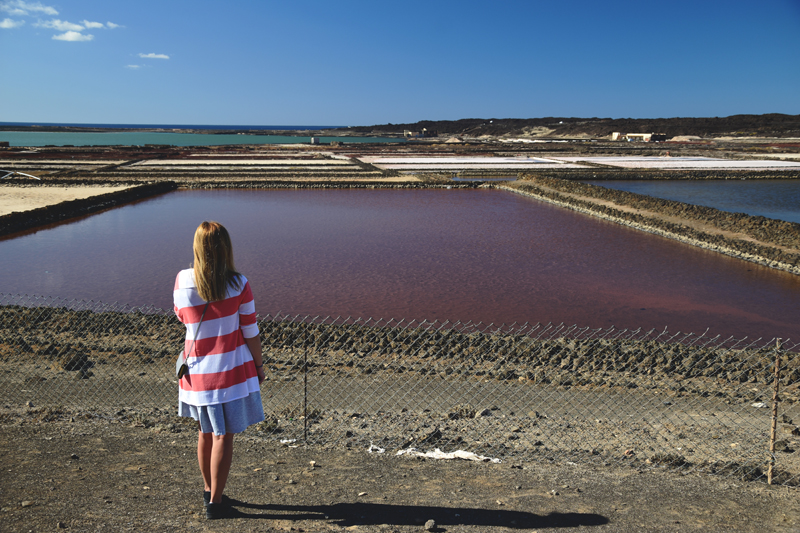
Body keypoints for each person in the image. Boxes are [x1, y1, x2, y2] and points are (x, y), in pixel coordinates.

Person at [173, 221, 266, 519]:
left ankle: (208, 490)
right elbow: (250, 330)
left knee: (205, 433)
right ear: (226, 248)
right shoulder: (238, 283)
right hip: (228, 372)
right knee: (223, 435)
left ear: (196, 247)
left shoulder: (182, 280)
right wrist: (259, 365)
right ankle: (216, 503)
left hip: (194, 372)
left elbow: (180, 316)